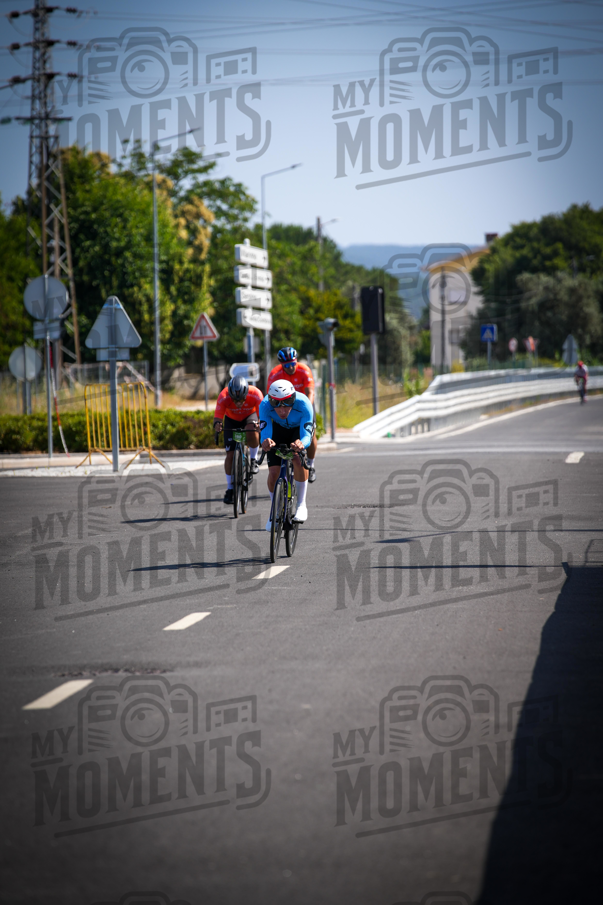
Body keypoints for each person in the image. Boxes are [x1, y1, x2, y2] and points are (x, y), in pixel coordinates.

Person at [259, 378, 314, 530]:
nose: (282, 411)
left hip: (298, 430)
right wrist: (265, 441)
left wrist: (302, 443)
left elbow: (307, 435)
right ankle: (274, 511)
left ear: (293, 400)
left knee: (297, 459)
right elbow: (265, 432)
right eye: (277, 405)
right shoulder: (264, 405)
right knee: (274, 472)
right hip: (277, 430)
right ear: (271, 401)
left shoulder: (304, 404)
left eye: (286, 405)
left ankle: (301, 504)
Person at [267, 347, 318, 483]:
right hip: (283, 406)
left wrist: (307, 409)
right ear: (281, 365)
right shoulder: (275, 374)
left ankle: (311, 464)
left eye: (293, 364)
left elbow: (310, 392)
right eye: (286, 366)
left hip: (303, 405)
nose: (290, 368)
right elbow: (270, 397)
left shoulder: (304, 370)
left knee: (311, 434)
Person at [214, 376, 263, 504]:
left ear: (247, 394)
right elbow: (218, 416)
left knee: (252, 429)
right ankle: (230, 489)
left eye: (241, 399)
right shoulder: (223, 396)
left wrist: (259, 424)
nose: (239, 403)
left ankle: (253, 460)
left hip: (249, 416)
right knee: (230, 455)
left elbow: (262, 416)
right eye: (235, 400)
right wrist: (218, 425)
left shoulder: (256, 394)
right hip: (231, 420)